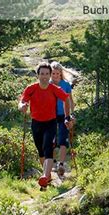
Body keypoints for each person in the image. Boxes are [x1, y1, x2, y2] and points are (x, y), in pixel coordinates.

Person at [18, 62, 74, 190]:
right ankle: (47, 177)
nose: (44, 76)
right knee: (41, 151)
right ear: (37, 75)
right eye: (42, 74)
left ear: (49, 75)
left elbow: (66, 100)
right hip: (36, 123)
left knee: (48, 147)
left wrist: (67, 117)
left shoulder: (55, 89)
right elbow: (22, 101)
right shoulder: (31, 89)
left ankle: (45, 175)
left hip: (51, 123)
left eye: (47, 74)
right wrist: (22, 107)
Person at [50, 61, 75, 177]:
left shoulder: (65, 85)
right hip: (50, 115)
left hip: (64, 115)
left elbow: (70, 101)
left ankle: (61, 164)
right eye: (53, 73)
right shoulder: (47, 84)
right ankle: (54, 163)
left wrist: (71, 115)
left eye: (57, 74)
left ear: (61, 74)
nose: (55, 76)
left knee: (63, 140)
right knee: (52, 141)